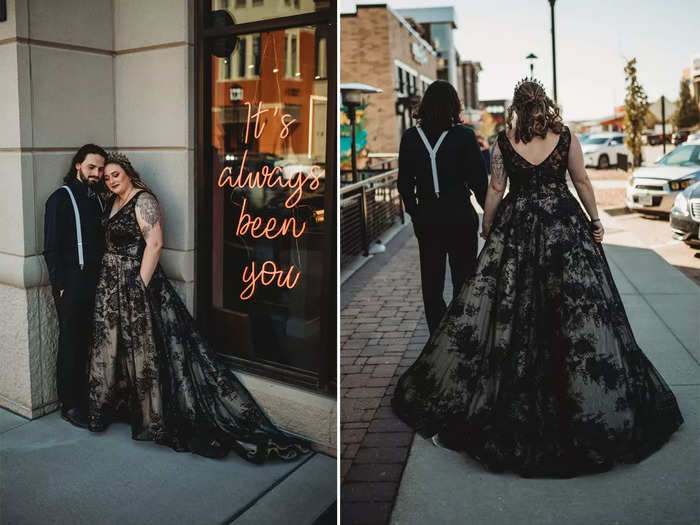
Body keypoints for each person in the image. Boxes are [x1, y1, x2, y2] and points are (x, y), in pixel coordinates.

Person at [391, 79, 684, 478]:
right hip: (564, 228)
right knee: (571, 306)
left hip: (517, 227)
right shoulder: (565, 137)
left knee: (516, 305)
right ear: (545, 105)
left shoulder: (504, 141)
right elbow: (582, 181)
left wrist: (488, 225)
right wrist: (595, 221)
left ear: (516, 107)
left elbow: (495, 188)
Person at [86, 153, 310, 463]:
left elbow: (154, 243)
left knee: (151, 350)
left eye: (115, 174)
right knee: (123, 348)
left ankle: (157, 415)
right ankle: (129, 407)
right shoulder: (113, 201)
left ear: (128, 173)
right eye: (107, 176)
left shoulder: (143, 199)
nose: (111, 179)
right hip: (112, 285)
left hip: (136, 283)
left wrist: (139, 285)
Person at [397, 80, 488, 335]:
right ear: (454, 105)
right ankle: (462, 334)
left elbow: (404, 184)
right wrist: (490, 217)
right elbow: (480, 183)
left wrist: (415, 214)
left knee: (432, 285)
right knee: (464, 281)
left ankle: (437, 339)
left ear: (425, 105)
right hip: (460, 215)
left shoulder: (411, 138)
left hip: (428, 219)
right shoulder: (465, 136)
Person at [44, 144, 107, 428]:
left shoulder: (99, 199)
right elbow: (51, 248)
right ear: (78, 165)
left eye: (100, 168)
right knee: (72, 342)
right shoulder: (60, 198)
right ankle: (70, 405)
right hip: (73, 281)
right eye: (91, 167)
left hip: (98, 278)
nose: (96, 173)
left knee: (92, 341)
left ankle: (90, 397)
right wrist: (59, 286)